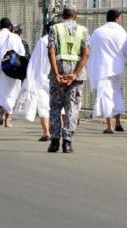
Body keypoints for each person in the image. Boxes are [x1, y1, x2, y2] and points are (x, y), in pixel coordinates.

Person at [47, 8, 90, 153]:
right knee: (72, 107)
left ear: (62, 16)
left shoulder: (54, 28)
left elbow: (51, 51)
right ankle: (67, 142)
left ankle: (54, 141)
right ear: (76, 16)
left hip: (58, 73)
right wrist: (75, 74)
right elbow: (86, 54)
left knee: (55, 107)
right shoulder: (83, 30)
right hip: (76, 75)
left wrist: (56, 74)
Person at [88, 9, 127, 134]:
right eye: (120, 18)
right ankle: (118, 122)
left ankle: (110, 125)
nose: (121, 20)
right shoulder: (122, 32)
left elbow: (90, 50)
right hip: (117, 68)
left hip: (102, 68)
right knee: (116, 92)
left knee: (105, 94)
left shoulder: (97, 32)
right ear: (116, 18)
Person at [0, 17, 26, 127]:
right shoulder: (15, 37)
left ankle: (0, 108)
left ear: (0, 26)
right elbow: (22, 53)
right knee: (11, 92)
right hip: (12, 69)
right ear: (11, 27)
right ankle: (8, 118)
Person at [24, 21, 54, 140]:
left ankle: (46, 132)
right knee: (59, 106)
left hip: (42, 78)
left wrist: (30, 79)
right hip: (59, 77)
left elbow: (34, 62)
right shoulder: (62, 40)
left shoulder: (42, 41)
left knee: (43, 106)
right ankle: (60, 130)